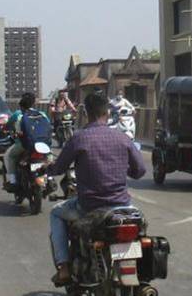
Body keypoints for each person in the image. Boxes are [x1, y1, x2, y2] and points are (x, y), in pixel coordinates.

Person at [48, 92, 146, 285]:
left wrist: (48, 168)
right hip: (122, 206)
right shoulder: (122, 138)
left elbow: (58, 168)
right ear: (107, 113)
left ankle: (64, 268)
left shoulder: (79, 138)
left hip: (89, 207)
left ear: (86, 113)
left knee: (55, 213)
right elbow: (140, 171)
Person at [3, 92, 50, 189]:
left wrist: (3, 129)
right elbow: (49, 128)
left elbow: (8, 126)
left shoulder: (18, 114)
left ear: (21, 104)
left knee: (9, 156)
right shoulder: (42, 114)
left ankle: (12, 181)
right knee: (48, 158)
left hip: (25, 144)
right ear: (34, 103)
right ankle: (49, 178)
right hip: (43, 144)